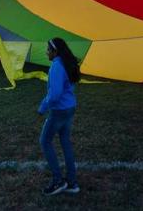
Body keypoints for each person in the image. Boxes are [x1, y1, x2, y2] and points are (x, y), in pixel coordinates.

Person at [38, 37, 80, 196]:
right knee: (65, 142)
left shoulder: (57, 66)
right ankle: (72, 182)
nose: (46, 52)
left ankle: (58, 181)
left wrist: (43, 107)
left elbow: (54, 94)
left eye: (48, 50)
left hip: (60, 111)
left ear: (55, 51)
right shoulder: (67, 64)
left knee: (45, 141)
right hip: (70, 108)